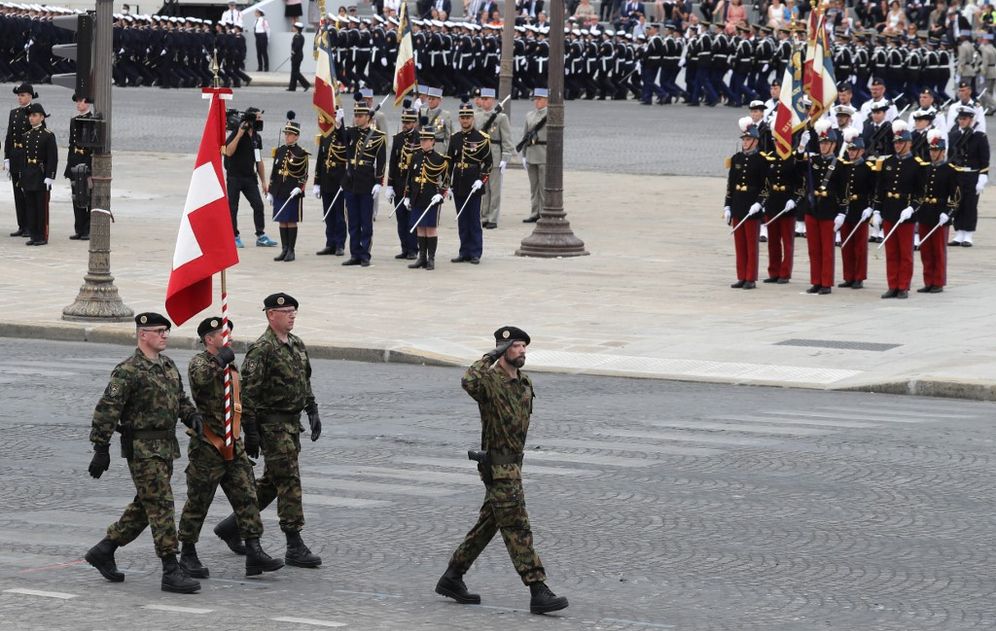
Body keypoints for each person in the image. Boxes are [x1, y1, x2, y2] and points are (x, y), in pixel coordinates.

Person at [435, 326, 569, 615]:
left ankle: (452, 577)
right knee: (517, 526)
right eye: (516, 346)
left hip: (514, 465)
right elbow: (467, 380)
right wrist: (489, 357)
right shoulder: (489, 382)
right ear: (502, 350)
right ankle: (538, 589)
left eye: (523, 346)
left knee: (490, 523)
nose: (522, 351)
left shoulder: (524, 382)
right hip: (497, 466)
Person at [84, 312, 204, 594]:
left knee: (145, 507)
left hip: (166, 448)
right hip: (142, 449)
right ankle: (170, 569)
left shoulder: (167, 365)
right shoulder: (127, 371)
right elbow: (106, 410)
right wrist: (101, 448)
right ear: (143, 335)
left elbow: (181, 400)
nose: (165, 335)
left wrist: (192, 416)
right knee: (161, 504)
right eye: (160, 331)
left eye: (166, 331)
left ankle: (104, 549)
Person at [214, 293, 323, 568]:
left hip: (291, 423)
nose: (292, 315)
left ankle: (232, 526)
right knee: (289, 481)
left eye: (293, 310)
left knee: (273, 483)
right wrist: (250, 431)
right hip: (271, 425)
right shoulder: (262, 349)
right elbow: (247, 394)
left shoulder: (296, 344)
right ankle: (294, 543)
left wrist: (312, 409)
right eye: (286, 311)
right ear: (270, 315)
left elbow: (303, 380)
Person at [177, 317, 284, 579]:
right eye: (224, 334)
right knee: (199, 502)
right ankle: (188, 553)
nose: (230, 338)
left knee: (247, 497)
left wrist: (251, 430)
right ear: (209, 339)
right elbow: (201, 381)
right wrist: (219, 361)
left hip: (233, 444)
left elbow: (239, 399)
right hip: (208, 446)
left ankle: (254, 550)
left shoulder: (230, 365)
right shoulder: (201, 362)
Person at [872, 120, 920, 299]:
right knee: (891, 252)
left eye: (901, 142)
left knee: (905, 253)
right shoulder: (888, 162)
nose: (898, 145)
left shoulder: (916, 164)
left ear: (909, 143)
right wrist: (877, 211)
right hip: (889, 211)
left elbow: (920, 193)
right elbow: (880, 189)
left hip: (905, 214)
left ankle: (903, 286)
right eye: (896, 142)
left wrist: (912, 208)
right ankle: (892, 284)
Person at [342, 98, 387, 267]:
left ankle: (365, 254)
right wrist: (339, 123)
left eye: (360, 115)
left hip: (367, 181)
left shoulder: (378, 137)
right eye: (355, 115)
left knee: (366, 221)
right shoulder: (351, 132)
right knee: (353, 221)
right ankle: (355, 253)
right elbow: (339, 139)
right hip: (351, 181)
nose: (357, 118)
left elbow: (381, 161)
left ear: (368, 117)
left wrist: (378, 181)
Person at [224, 107, 278, 249]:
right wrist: (239, 134)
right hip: (234, 177)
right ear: (250, 120)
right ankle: (234, 236)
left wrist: (264, 182)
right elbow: (228, 152)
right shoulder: (236, 133)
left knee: (258, 205)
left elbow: (258, 160)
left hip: (249, 178)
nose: (260, 121)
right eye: (258, 119)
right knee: (233, 208)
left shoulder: (256, 137)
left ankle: (261, 235)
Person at [723, 117, 766, 289]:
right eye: (744, 139)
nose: (746, 142)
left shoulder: (762, 160)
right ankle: (741, 276)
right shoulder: (737, 158)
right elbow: (730, 183)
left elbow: (765, 186)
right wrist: (727, 205)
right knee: (740, 244)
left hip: (752, 206)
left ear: (755, 141)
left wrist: (759, 203)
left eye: (748, 140)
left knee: (751, 245)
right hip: (738, 205)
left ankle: (751, 277)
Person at [448, 100, 492, 264]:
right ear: (459, 119)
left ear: (472, 118)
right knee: (462, 219)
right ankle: (464, 251)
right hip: (459, 182)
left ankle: (475, 252)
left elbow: (488, 163)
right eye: (462, 117)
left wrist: (481, 180)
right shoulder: (455, 138)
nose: (465, 120)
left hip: (473, 182)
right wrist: (448, 184)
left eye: (468, 117)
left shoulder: (481, 138)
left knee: (473, 219)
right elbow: (450, 163)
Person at [403, 122, 450, 270]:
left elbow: (447, 179)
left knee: (430, 228)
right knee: (420, 228)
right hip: (417, 196)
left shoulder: (439, 159)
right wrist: (407, 196)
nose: (423, 142)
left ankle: (431, 258)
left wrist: (441, 194)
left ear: (433, 141)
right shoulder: (416, 157)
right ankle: (421, 257)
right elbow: (410, 178)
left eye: (426, 139)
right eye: (421, 139)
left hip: (431, 197)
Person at [917, 130, 958, 292]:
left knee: (938, 250)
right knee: (926, 250)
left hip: (940, 212)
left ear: (943, 152)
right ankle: (928, 281)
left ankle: (938, 281)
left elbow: (956, 196)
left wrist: (948, 213)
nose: (933, 154)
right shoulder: (925, 169)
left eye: (936, 151)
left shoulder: (950, 170)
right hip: (926, 211)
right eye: (931, 151)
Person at [835, 129, 875, 290]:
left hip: (860, 208)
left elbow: (873, 190)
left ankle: (859, 276)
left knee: (859, 246)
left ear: (862, 151)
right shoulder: (844, 167)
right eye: (850, 150)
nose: (851, 153)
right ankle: (848, 276)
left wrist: (870, 208)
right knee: (846, 244)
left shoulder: (868, 168)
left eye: (854, 150)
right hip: (846, 209)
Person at [268, 113, 309, 261]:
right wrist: (271, 191)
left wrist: (300, 187)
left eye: (290, 134)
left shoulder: (301, 153)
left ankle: (291, 250)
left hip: (292, 191)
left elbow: (304, 174)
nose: (287, 136)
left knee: (291, 220)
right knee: (281, 220)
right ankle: (284, 249)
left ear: (296, 136)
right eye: (286, 134)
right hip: (280, 190)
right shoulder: (280, 150)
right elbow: (274, 172)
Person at [946, 105, 990, 246]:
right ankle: (959, 233)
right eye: (960, 118)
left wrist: (982, 177)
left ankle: (968, 234)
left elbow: (984, 159)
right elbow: (950, 157)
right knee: (957, 203)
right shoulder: (953, 136)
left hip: (972, 175)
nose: (962, 121)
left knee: (970, 205)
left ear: (971, 120)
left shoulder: (979, 137)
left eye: (965, 119)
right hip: (957, 174)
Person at [475, 88, 514, 229]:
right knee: (483, 189)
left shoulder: (501, 117)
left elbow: (507, 140)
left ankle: (493, 217)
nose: (485, 101)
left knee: (494, 189)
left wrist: (505, 158)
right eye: (483, 99)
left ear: (492, 100)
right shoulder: (476, 116)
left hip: (495, 155)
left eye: (487, 99)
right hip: (481, 156)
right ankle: (484, 216)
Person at [386, 101, 421, 260]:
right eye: (404, 122)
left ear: (414, 122)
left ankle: (414, 249)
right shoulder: (398, 138)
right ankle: (405, 248)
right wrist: (390, 185)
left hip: (413, 185)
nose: (405, 124)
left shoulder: (420, 138)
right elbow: (393, 162)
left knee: (411, 219)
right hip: (399, 183)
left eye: (408, 122)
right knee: (401, 219)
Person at [20, 102, 57, 246]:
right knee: (30, 206)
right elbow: (24, 158)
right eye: (30, 115)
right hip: (29, 174)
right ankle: (34, 234)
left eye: (34, 115)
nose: (31, 118)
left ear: (42, 117)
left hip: (41, 174)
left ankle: (42, 235)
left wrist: (50, 176)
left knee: (41, 207)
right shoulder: (26, 136)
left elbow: (52, 158)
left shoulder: (48, 135)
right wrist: (22, 177)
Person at [314, 106, 349, 257]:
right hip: (326, 179)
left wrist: (341, 125)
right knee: (328, 213)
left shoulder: (344, 134)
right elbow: (320, 159)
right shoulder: (325, 136)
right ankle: (330, 243)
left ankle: (340, 244)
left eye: (335, 116)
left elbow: (346, 143)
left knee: (339, 214)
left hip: (339, 180)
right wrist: (316, 182)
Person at [5, 83, 36, 238]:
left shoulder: (35, 112)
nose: (20, 98)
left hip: (27, 156)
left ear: (30, 96)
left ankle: (30, 226)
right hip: (15, 155)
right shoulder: (14, 113)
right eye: (19, 95)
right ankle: (22, 225)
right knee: (17, 192)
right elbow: (9, 136)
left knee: (27, 193)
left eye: (23, 95)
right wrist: (6, 157)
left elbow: (39, 137)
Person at [64, 94, 93, 241]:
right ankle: (79, 228)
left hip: (86, 162)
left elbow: (93, 147)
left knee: (87, 197)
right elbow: (71, 144)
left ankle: (87, 229)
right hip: (75, 161)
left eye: (81, 101)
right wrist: (69, 166)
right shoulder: (74, 121)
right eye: (77, 101)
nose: (78, 103)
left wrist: (90, 169)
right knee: (76, 197)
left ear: (87, 103)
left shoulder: (93, 120)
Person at [520, 87, 548, 223]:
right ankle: (534, 212)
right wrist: (524, 155)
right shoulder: (529, 115)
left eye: (540, 99)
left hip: (544, 152)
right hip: (531, 152)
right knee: (534, 186)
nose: (537, 102)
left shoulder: (550, 114)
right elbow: (525, 135)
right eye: (535, 99)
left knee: (543, 186)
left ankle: (543, 212)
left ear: (546, 100)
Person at [287, 22, 311, 92]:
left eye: (294, 27)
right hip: (296, 55)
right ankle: (292, 87)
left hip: (297, 56)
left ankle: (306, 84)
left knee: (295, 72)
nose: (293, 28)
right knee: (294, 71)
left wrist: (293, 51)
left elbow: (297, 46)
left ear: (297, 28)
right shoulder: (297, 35)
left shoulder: (298, 36)